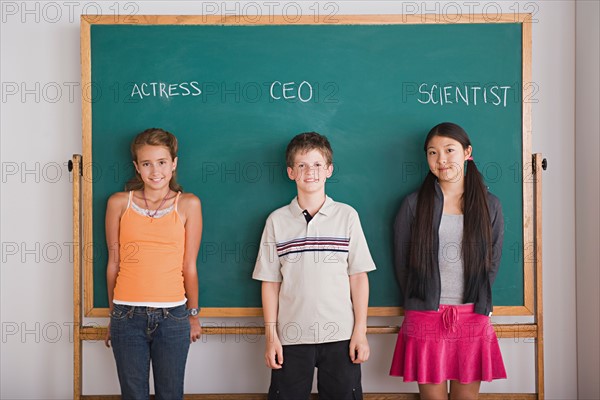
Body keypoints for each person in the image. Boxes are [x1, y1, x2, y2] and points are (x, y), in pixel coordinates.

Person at [253, 132, 376, 400]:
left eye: (318, 165)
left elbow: (358, 277)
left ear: (329, 170)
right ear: (291, 172)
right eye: (302, 165)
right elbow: (270, 283)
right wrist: (271, 336)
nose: (311, 172)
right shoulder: (277, 221)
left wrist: (360, 331)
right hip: (292, 337)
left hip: (341, 335)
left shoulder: (347, 216)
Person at [389, 122, 507, 399]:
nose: (441, 159)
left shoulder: (490, 205)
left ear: (467, 152)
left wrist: (477, 304)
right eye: (432, 152)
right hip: (426, 316)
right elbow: (402, 263)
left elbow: (492, 262)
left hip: (472, 315)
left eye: (449, 150)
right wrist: (422, 300)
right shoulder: (413, 204)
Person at [104, 128, 202, 400]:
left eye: (161, 162)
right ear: (137, 167)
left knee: (170, 394)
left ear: (174, 164)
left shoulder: (188, 205)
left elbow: (189, 267)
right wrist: (113, 316)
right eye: (146, 163)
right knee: (133, 395)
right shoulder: (118, 203)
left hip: (173, 317)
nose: (155, 170)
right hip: (126, 315)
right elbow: (114, 263)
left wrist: (193, 315)